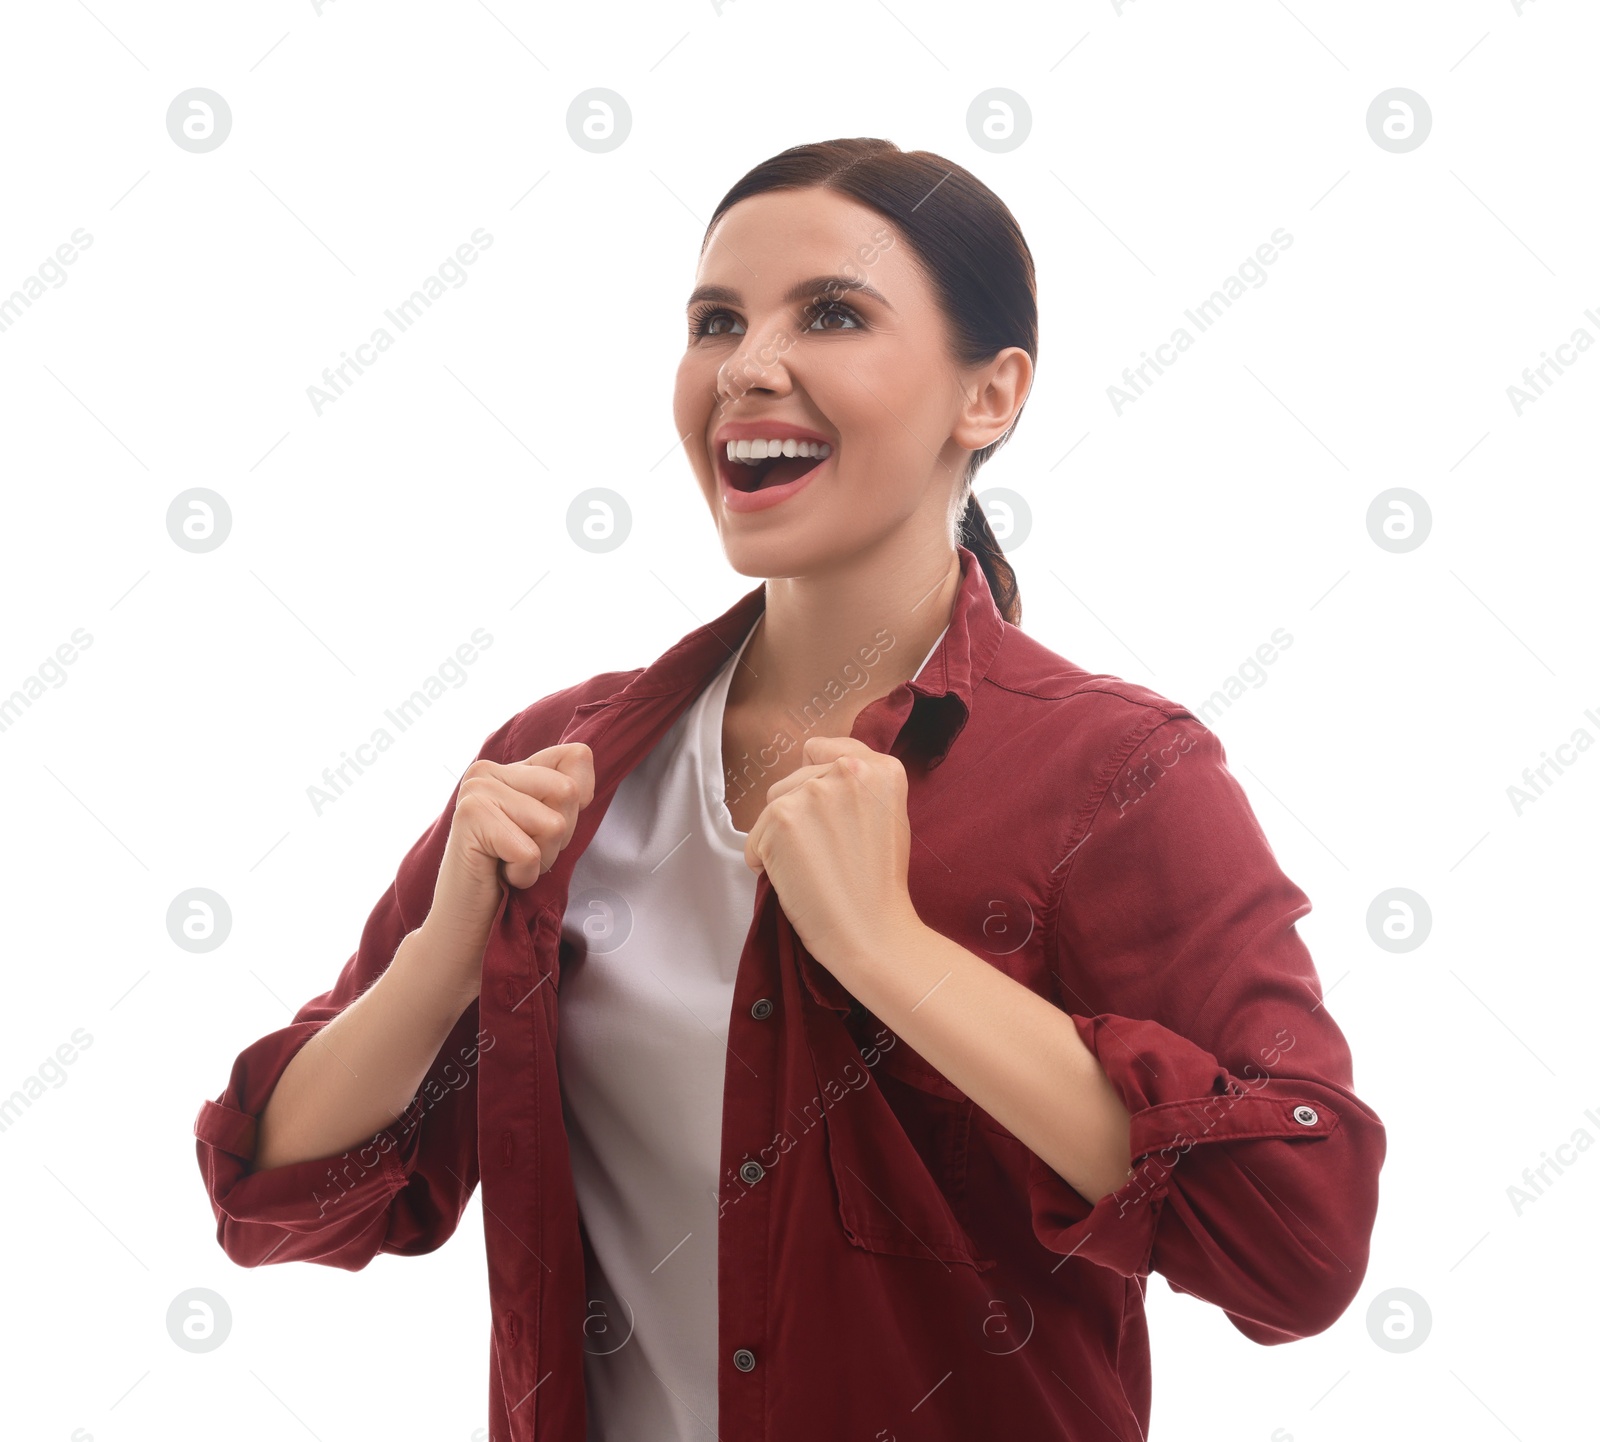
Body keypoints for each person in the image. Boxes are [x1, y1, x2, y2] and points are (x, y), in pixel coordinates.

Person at [194, 137, 1387, 1442]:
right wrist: (436, 964)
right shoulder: (562, 764)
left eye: (832, 314)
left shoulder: (1116, 773)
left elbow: (1300, 1237)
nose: (747, 365)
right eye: (716, 321)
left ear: (987, 396)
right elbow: (278, 1191)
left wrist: (890, 952)